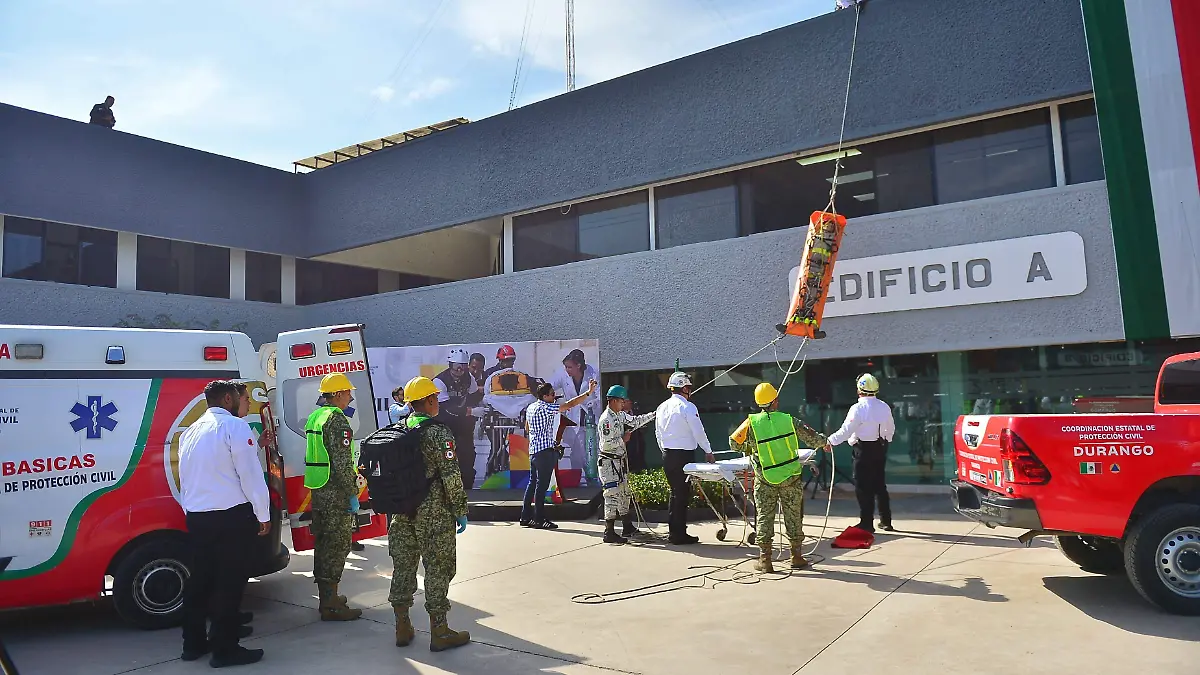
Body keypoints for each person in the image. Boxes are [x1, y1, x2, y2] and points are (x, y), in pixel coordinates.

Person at [364, 376, 471, 652]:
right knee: (437, 567)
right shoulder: (438, 433)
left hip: (400, 511)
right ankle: (440, 631)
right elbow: (450, 476)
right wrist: (459, 510)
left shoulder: (397, 429)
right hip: (433, 512)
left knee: (403, 566)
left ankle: (402, 626)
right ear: (432, 401)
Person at [178, 380, 270, 668]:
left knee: (202, 582)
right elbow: (249, 475)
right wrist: (262, 513)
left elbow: (196, 474)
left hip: (198, 516)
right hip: (230, 517)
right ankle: (225, 650)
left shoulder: (190, 432)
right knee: (229, 584)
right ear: (228, 398)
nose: (248, 404)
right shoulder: (234, 427)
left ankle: (193, 644)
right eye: (245, 399)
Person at [729, 382, 828, 572]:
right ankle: (796, 556)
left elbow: (734, 443)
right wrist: (825, 442)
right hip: (790, 476)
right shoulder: (789, 420)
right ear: (775, 401)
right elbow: (813, 437)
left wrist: (752, 449)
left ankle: (765, 560)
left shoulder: (751, 423)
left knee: (765, 517)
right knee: (793, 516)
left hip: (765, 478)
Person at [302, 373, 363, 621]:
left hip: (319, 490)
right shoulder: (337, 421)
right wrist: (352, 492)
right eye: (348, 392)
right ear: (337, 394)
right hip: (335, 493)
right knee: (337, 547)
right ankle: (331, 605)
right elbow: (340, 463)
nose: (350, 396)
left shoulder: (316, 416)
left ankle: (328, 596)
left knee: (324, 545)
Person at [826, 373, 897, 532]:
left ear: (859, 390)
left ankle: (867, 523)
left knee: (863, 487)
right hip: (879, 447)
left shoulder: (857, 408)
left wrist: (829, 441)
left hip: (863, 450)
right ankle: (886, 520)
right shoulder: (884, 406)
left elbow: (845, 431)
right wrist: (885, 441)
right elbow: (890, 429)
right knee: (879, 485)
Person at [521, 379, 596, 529]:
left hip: (534, 451)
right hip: (545, 453)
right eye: (552, 394)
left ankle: (525, 517)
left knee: (532, 484)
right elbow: (570, 405)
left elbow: (527, 428)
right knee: (541, 488)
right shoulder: (547, 408)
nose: (554, 397)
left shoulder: (530, 408)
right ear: (544, 396)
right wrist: (588, 392)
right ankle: (539, 519)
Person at [655, 372, 714, 545]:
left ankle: (675, 532)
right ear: (685, 388)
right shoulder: (688, 407)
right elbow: (698, 431)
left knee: (675, 494)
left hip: (668, 454)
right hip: (684, 456)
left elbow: (657, 433)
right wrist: (708, 450)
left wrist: (664, 450)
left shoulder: (662, 407)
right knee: (681, 495)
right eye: (689, 388)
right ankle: (679, 534)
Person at [597, 385, 656, 544]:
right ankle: (608, 531)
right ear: (614, 400)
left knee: (625, 493)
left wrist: (654, 415)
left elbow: (635, 421)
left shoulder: (619, 415)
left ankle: (627, 526)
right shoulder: (606, 420)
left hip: (619, 461)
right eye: (622, 401)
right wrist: (623, 440)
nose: (624, 404)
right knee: (611, 495)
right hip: (609, 462)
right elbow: (607, 445)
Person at [434, 347, 482, 490]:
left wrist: (481, 404)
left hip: (463, 426)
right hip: (445, 425)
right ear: (450, 365)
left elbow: (474, 396)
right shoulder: (440, 381)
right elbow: (447, 408)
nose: (460, 370)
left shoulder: (469, 377)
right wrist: (471, 411)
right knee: (448, 459)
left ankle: (467, 491)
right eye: (456, 367)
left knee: (468, 457)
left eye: (462, 366)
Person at [549, 349, 602, 477]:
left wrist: (594, 402)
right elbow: (549, 386)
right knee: (577, 451)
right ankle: (578, 478)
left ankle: (592, 478)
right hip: (574, 417)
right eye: (566, 367)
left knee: (591, 450)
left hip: (590, 416)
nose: (567, 370)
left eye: (570, 367)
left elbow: (599, 394)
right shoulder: (562, 374)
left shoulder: (593, 372)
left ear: (579, 365)